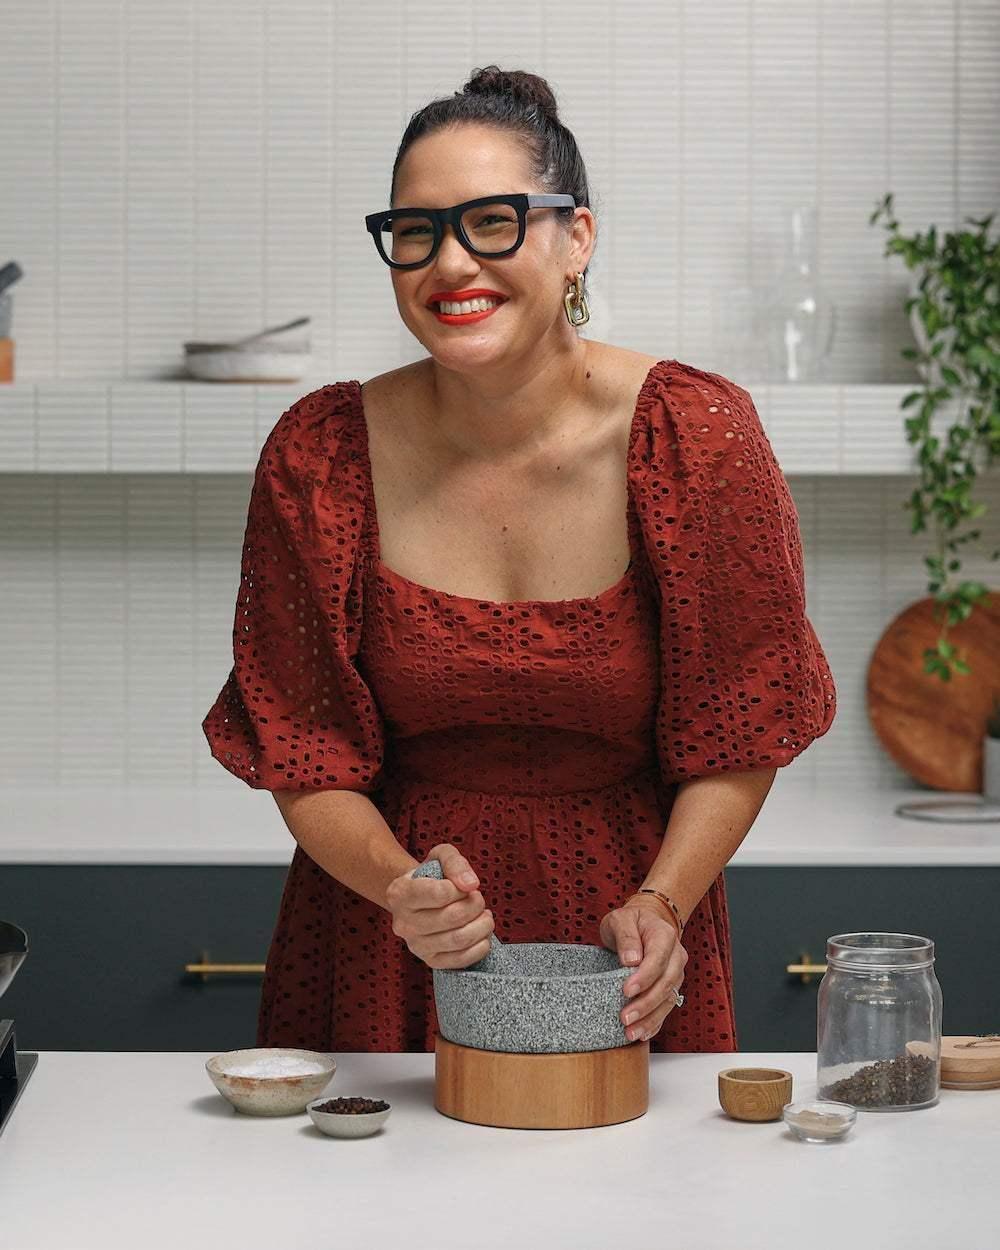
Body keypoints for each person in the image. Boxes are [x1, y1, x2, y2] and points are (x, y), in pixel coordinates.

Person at [202, 65, 836, 1054]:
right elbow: (306, 748)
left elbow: (739, 727)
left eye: (491, 220)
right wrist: (401, 886)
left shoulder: (695, 435)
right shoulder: (319, 453)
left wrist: (661, 903)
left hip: (627, 941)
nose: (450, 263)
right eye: (415, 231)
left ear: (576, 237)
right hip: (388, 942)